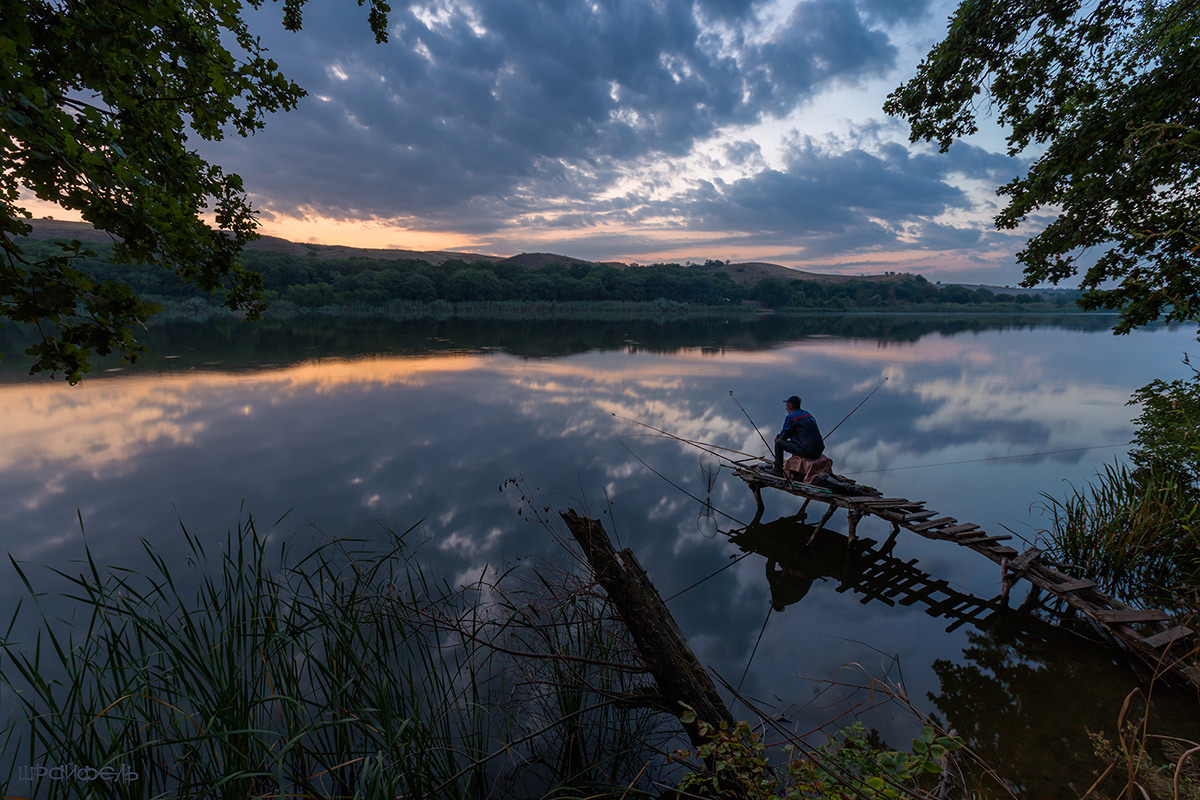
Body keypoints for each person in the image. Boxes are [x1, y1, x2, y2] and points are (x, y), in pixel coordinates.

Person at [773, 395, 824, 474]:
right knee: (796, 441)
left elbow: (784, 435)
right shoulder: (808, 414)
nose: (786, 408)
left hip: (807, 451)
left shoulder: (791, 417)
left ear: (790, 405)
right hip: (818, 451)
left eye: (787, 406)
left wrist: (777, 437)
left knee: (779, 443)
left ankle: (778, 469)